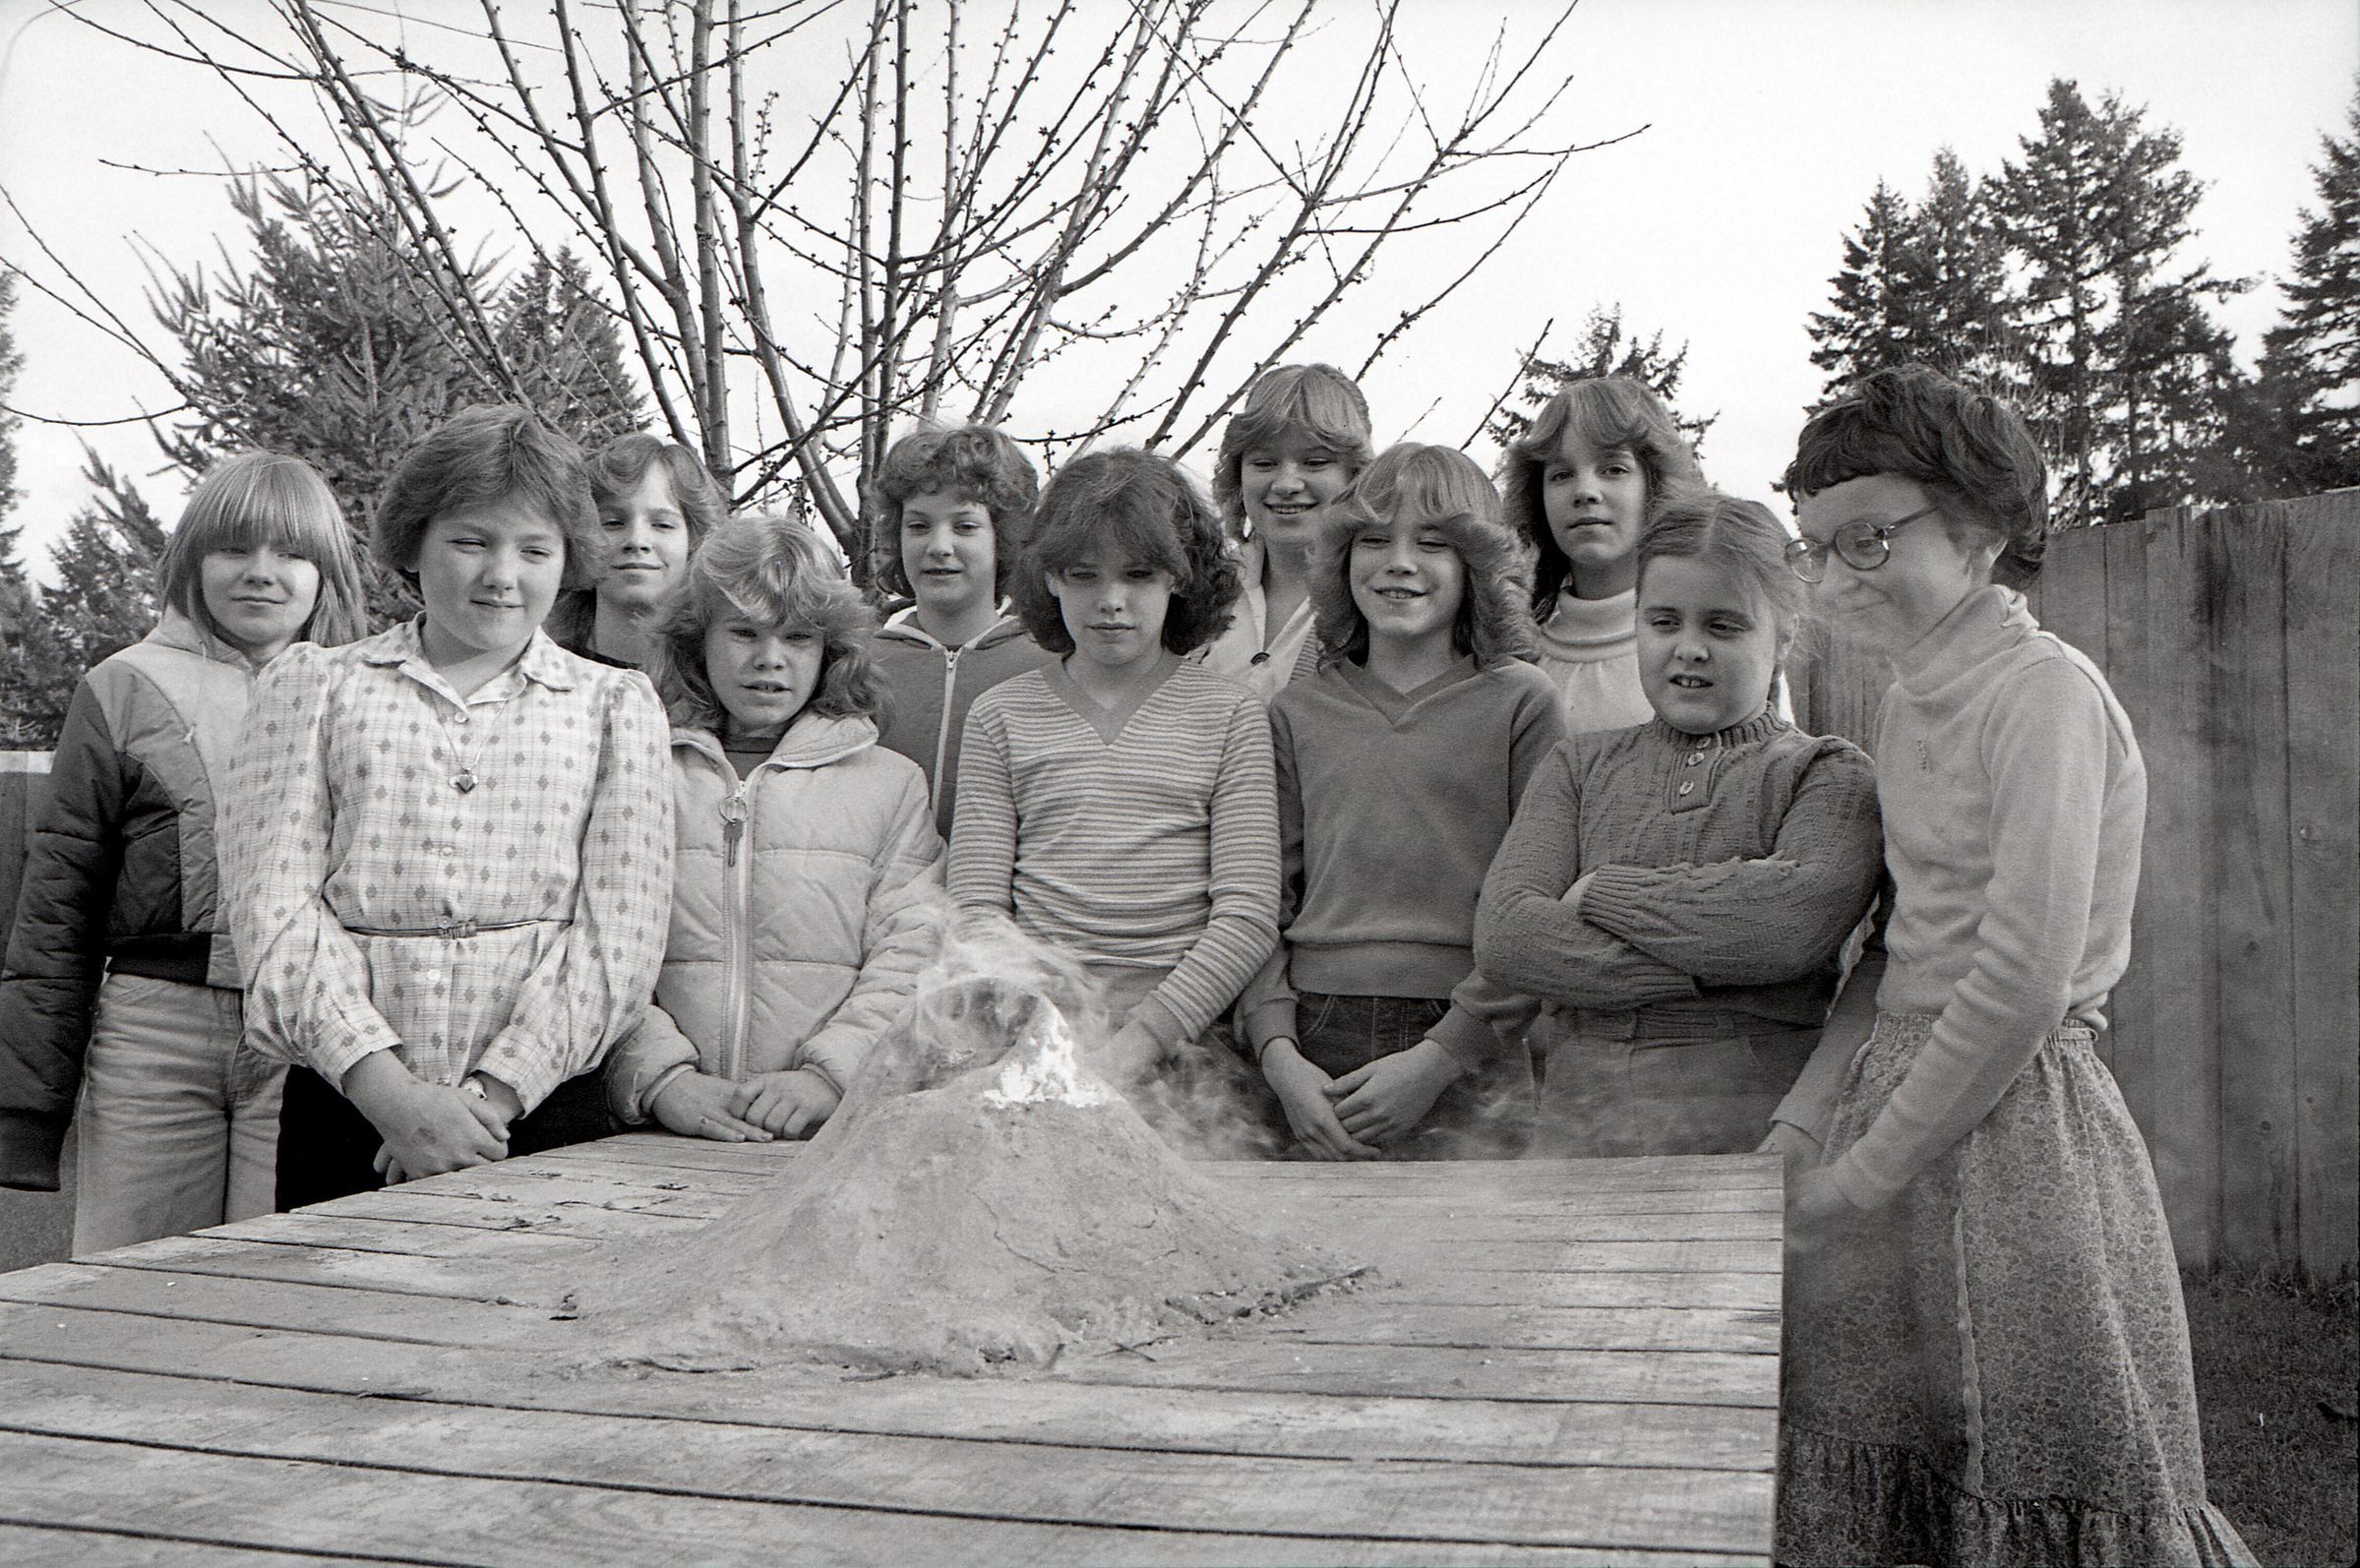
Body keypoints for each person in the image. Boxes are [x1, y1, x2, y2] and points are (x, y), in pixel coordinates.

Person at [1768, 366, 2255, 1566]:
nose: (1835, 577)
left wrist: (1862, 1176)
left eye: (1868, 539)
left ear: (1980, 529)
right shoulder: (1906, 701)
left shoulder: (2041, 695)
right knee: (1890, 1443)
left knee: (2029, 1446)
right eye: (1816, 548)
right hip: (1896, 1096)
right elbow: (1898, 942)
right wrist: (1821, 1121)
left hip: (2015, 1126)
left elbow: (2023, 978)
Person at [219, 405, 675, 1208]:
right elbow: (273, 910)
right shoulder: (317, 686)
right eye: (471, 542)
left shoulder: (615, 706)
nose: (502, 574)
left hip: (544, 1110)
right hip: (349, 1110)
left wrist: (490, 1101)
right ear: (413, 544)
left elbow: (621, 938)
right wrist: (393, 1097)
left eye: (534, 550)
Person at [0, 453, 369, 1253]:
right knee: (133, 1276)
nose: (261, 571)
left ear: (327, 573)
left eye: (291, 552)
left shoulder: (366, 692)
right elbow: (59, 900)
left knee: (285, 1280)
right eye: (234, 547)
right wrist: (28, 1108)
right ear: (192, 560)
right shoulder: (121, 686)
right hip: (154, 1034)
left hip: (312, 1032)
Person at [1474, 488, 1881, 1158]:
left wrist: (1602, 892)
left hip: (1748, 1134)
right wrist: (1721, 973)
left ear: (1783, 633)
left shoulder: (1827, 775)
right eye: (1663, 622)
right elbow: (1508, 935)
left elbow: (1787, 927)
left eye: (1723, 626)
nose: (1688, 648)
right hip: (1577, 1135)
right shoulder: (1577, 767)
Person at [1234, 444, 1558, 1160]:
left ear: (1477, 565)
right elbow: (1261, 899)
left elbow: (1536, 905)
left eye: (1432, 544)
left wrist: (1442, 1058)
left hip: (1469, 1043)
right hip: (1312, 1043)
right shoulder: (1295, 712)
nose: (1399, 562)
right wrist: (1278, 1054)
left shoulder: (1522, 704)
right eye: (1374, 540)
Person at [948, 447, 1279, 1091]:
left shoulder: (1231, 716)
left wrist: (1138, 1045)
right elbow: (977, 911)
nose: (1111, 601)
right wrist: (1043, 1035)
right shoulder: (999, 716)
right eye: (1083, 575)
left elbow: (1247, 916)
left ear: (1179, 577)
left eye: (1138, 574)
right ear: (1049, 578)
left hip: (1189, 1054)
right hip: (1029, 1045)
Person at [605, 513, 942, 1142]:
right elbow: (595, 944)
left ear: (831, 651)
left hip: (830, 1133)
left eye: (797, 638)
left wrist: (831, 1076)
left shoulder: (889, 785)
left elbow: (915, 950)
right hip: (653, 1133)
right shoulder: (634, 766)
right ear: (696, 639)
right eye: (744, 632)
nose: (770, 659)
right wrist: (661, 1077)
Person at [866, 423, 1049, 840]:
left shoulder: (1048, 668)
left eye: (964, 526)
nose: (939, 546)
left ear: (1004, 538)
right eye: (918, 526)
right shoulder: (861, 668)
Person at [1496, 376, 1704, 733]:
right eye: (1561, 475)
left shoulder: (1701, 647)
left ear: (1655, 485)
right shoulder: (1515, 655)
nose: (1585, 491)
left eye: (1613, 469)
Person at [1199, 363, 1376, 699]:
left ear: (1355, 475)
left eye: (1315, 462)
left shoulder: (1378, 599)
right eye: (1264, 463)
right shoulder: (1201, 591)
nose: (1285, 485)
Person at [543, 433, 727, 667]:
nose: (637, 540)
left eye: (662, 525)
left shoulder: (721, 673)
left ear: (695, 540)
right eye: (612, 523)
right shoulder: (540, 663)